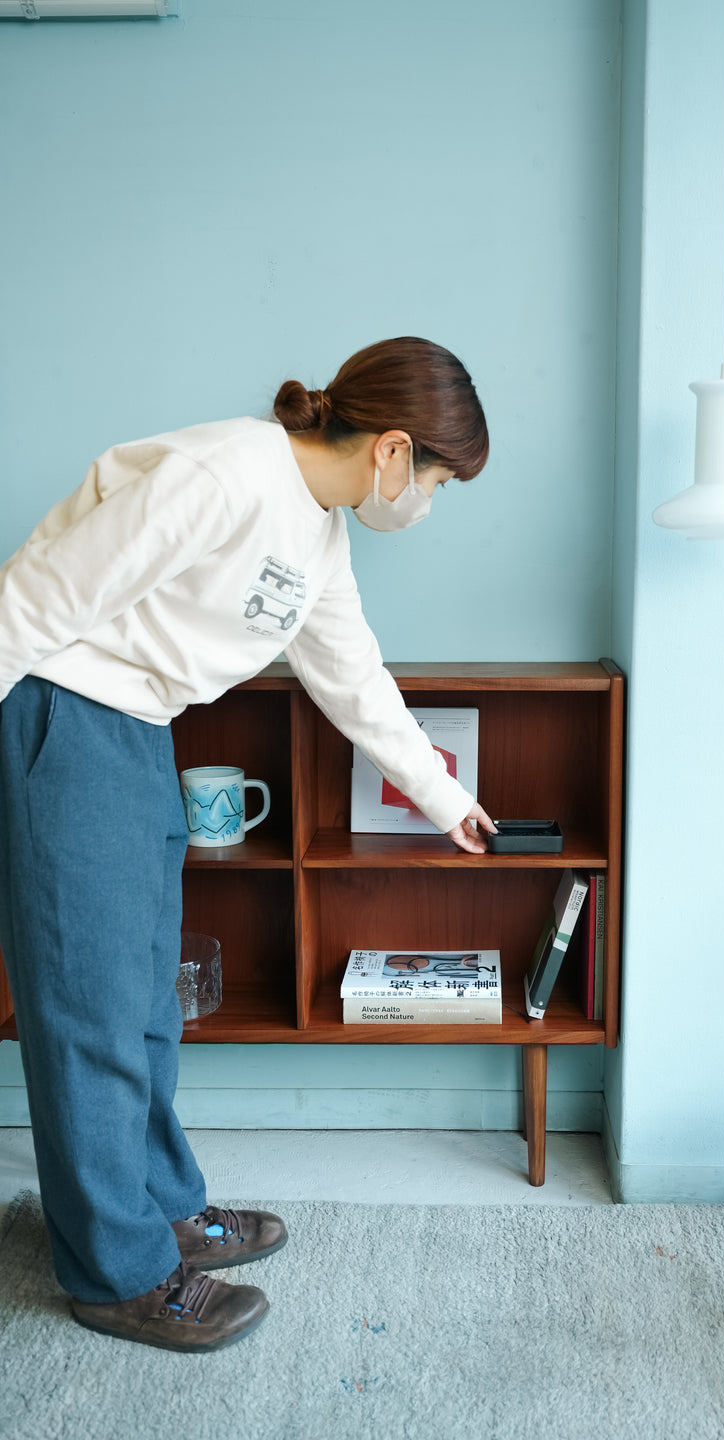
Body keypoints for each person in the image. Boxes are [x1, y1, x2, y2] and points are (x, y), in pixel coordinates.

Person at [0, 336, 495, 1351]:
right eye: (437, 483)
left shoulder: (320, 535)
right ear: (393, 450)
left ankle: (165, 1212)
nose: (426, 505)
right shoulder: (225, 474)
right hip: (66, 710)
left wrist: (446, 799)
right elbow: (40, 594)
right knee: (90, 1012)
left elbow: (352, 675)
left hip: (138, 729)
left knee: (147, 1002)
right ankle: (118, 1275)